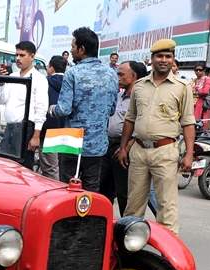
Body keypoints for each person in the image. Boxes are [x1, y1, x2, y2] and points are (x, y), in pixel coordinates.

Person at [118, 39, 195, 235]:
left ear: (173, 59)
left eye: (168, 56)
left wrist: (189, 154)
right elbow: (130, 118)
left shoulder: (182, 86)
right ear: (151, 59)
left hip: (165, 152)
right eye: (159, 56)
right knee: (133, 206)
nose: (164, 60)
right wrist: (124, 147)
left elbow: (188, 122)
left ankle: (167, 259)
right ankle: (129, 253)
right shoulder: (140, 86)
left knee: (166, 208)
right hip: (139, 151)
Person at [49, 27, 118, 191]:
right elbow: (112, 110)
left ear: (82, 49)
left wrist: (52, 109)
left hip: (71, 142)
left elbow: (64, 109)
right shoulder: (111, 74)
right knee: (91, 187)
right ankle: (90, 217)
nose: (71, 51)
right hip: (97, 145)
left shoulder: (73, 73)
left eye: (73, 47)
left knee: (67, 187)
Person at [100, 61, 153, 216]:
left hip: (125, 149)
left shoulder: (142, 99)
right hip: (107, 146)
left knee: (124, 192)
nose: (118, 77)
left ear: (134, 76)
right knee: (103, 191)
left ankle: (127, 230)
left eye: (121, 74)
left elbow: (141, 126)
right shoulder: (117, 95)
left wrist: (127, 146)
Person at [0, 41, 48, 169]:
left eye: (22, 55)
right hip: (9, 128)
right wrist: (2, 82)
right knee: (5, 165)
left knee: (23, 168)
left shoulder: (39, 79)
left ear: (32, 56)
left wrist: (36, 135)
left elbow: (41, 108)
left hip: (26, 129)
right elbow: (2, 100)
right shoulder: (13, 76)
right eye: (17, 55)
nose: (18, 58)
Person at [40, 55, 66, 180]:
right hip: (66, 128)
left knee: (50, 167)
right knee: (62, 165)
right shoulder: (70, 83)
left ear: (51, 67)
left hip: (48, 127)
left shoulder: (45, 82)